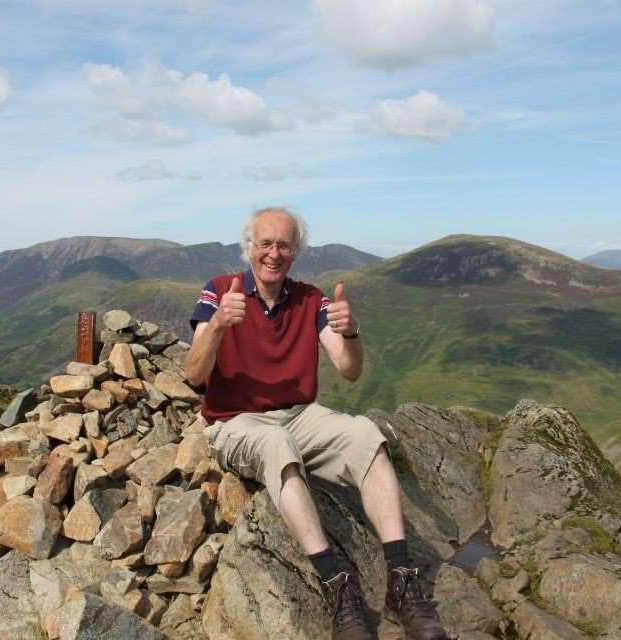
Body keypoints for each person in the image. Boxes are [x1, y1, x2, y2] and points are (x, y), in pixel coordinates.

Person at [184, 207, 446, 640]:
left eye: (284, 245)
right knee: (274, 445)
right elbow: (193, 375)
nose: (273, 253)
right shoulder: (218, 292)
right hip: (235, 422)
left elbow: (348, 369)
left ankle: (402, 581)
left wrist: (352, 332)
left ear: (296, 251)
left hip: (299, 414)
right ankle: (336, 588)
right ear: (249, 247)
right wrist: (217, 326)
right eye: (265, 243)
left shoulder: (311, 299)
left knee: (367, 434)